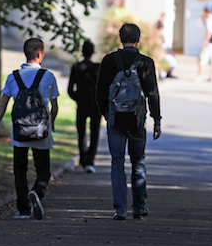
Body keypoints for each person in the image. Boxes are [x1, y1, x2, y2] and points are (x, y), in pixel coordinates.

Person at [0, 38, 59, 220]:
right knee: (43, 170)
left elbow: (2, 106)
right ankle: (37, 192)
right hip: (41, 131)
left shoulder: (13, 77)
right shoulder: (48, 76)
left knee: (20, 168)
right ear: (40, 54)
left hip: (19, 132)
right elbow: (54, 106)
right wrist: (53, 122)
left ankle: (23, 209)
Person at [96, 23, 162, 220]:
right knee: (138, 162)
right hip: (137, 121)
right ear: (138, 39)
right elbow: (152, 94)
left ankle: (120, 209)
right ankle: (139, 207)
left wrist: (106, 114)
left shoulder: (108, 61)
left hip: (115, 120)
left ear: (120, 39)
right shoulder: (146, 63)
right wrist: (156, 119)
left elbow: (99, 92)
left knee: (117, 162)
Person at [68, 40, 101, 174]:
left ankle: (83, 158)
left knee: (81, 133)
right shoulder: (98, 67)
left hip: (82, 104)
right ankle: (90, 160)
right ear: (93, 52)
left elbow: (70, 89)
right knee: (95, 133)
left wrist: (78, 99)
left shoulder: (76, 67)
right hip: (95, 105)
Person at [194, 8, 212, 82]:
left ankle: (200, 75)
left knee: (202, 59)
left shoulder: (209, 19)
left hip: (210, 43)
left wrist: (206, 40)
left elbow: (209, 31)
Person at [156, 13, 177, 79]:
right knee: (170, 59)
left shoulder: (161, 34)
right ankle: (167, 73)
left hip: (164, 48)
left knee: (172, 58)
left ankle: (169, 72)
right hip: (162, 50)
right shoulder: (158, 25)